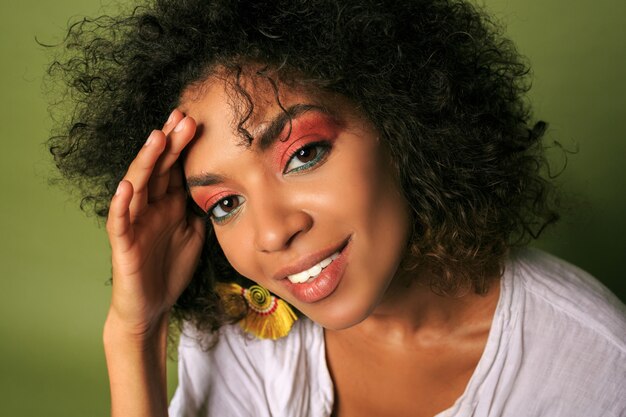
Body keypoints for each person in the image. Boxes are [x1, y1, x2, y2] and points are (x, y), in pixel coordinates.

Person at [47, 0, 626, 416]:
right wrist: (135, 331)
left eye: (304, 154)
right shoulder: (241, 337)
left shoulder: (593, 368)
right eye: (225, 203)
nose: (271, 233)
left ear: (404, 120)